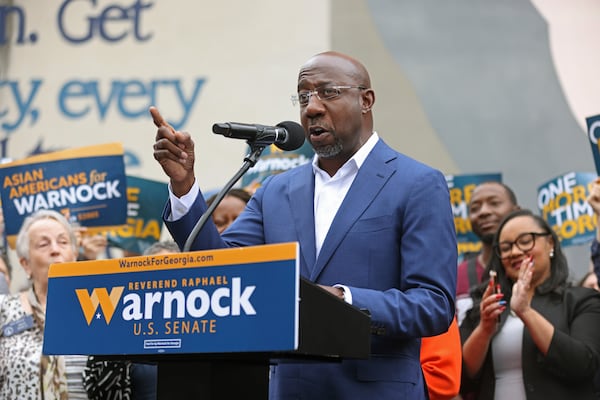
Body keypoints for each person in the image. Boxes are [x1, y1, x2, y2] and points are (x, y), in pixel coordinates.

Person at [151, 50, 457, 399]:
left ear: (366, 100)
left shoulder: (417, 183)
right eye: (303, 95)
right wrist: (185, 187)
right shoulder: (276, 191)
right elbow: (222, 270)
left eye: (328, 92)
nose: (311, 107)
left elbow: (433, 305)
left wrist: (344, 299)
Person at [460, 209, 600, 399]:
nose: (515, 252)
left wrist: (525, 311)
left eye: (526, 241)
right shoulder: (487, 306)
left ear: (550, 243)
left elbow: (583, 366)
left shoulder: (582, 300)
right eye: (506, 247)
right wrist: (485, 328)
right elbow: (462, 377)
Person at [0, 209, 88, 399]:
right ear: (25, 264)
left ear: (74, 255)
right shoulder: (4, 309)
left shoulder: (100, 309)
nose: (55, 249)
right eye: (43, 244)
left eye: (63, 242)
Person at [455, 181, 519, 324]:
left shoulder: (536, 271)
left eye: (494, 203)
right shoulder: (456, 276)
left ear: (516, 210)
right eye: (475, 208)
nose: (483, 212)